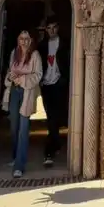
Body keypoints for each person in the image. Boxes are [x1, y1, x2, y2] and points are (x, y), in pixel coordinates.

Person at [2, 30, 43, 178]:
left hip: (26, 92)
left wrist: (22, 79)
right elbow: (10, 70)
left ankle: (20, 165)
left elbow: (38, 75)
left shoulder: (35, 55)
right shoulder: (14, 53)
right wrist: (11, 76)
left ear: (31, 40)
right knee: (14, 126)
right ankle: (15, 157)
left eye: (27, 39)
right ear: (18, 40)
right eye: (21, 38)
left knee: (23, 129)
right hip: (14, 91)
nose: (24, 41)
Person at [38, 19, 68, 167]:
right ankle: (54, 144)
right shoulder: (42, 46)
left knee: (56, 116)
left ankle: (50, 149)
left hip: (59, 83)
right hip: (47, 85)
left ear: (58, 28)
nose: (51, 31)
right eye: (48, 28)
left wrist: (64, 79)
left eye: (54, 27)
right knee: (51, 116)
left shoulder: (64, 44)